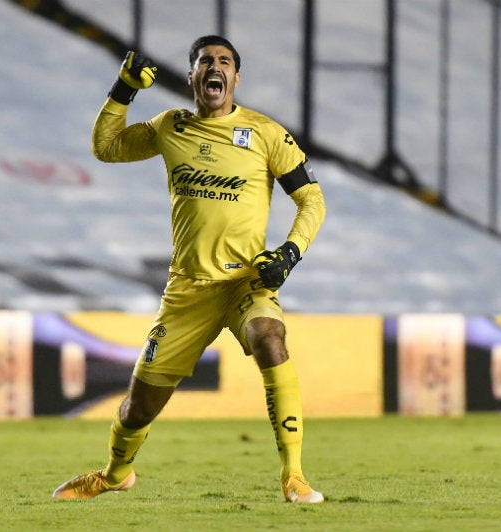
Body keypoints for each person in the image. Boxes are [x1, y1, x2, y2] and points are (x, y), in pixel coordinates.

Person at [53, 35, 326, 504]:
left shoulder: (265, 133)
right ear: (193, 76)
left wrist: (289, 253)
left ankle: (294, 476)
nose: (214, 68)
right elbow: (106, 147)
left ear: (236, 78)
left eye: (224, 62)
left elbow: (311, 199)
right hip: (188, 290)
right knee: (139, 407)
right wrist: (123, 88)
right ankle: (117, 474)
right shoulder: (170, 127)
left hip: (245, 280)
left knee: (270, 337)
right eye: (205, 62)